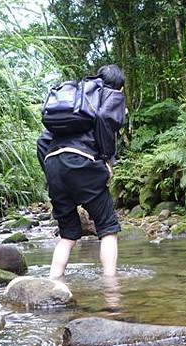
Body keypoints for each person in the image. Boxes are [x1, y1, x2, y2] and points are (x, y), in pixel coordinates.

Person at [37, 64, 126, 279]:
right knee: (108, 228)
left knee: (67, 235)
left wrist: (50, 174)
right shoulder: (110, 96)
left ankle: (52, 282)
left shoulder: (76, 102)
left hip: (53, 164)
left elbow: (42, 141)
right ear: (120, 87)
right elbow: (105, 120)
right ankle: (111, 288)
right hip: (82, 163)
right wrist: (106, 159)